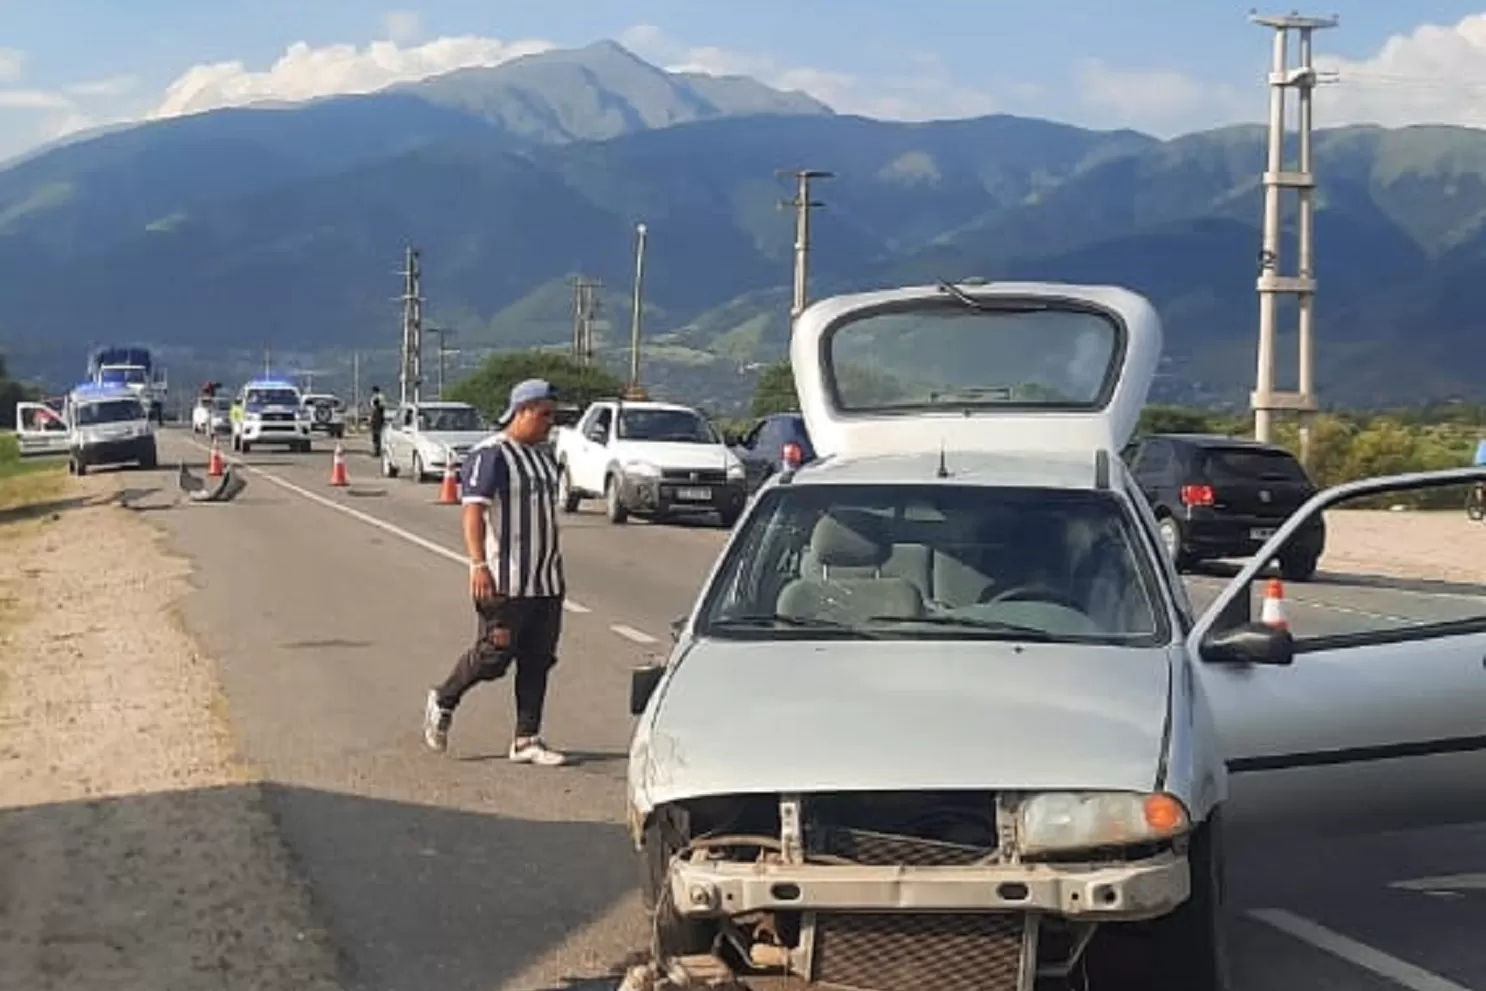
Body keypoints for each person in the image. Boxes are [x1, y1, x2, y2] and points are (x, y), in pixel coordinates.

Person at [422, 378, 568, 766]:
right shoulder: (492, 455)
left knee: (538, 659)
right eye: (544, 414)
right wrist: (478, 563)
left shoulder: (542, 456)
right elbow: (473, 510)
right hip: (505, 578)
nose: (550, 422)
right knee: (494, 655)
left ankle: (526, 738)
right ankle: (443, 698)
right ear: (521, 412)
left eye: (553, 415)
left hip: (546, 578)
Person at [368, 386, 386, 457]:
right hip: (376, 418)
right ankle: (376, 450)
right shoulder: (377, 397)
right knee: (376, 436)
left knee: (377, 436)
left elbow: (381, 406)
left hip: (377, 419)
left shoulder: (379, 397)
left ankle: (377, 451)